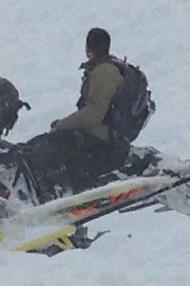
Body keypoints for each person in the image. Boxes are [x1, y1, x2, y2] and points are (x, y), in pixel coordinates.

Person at [19, 27, 134, 200]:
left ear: (88, 49)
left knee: (44, 148)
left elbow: (95, 112)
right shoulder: (106, 69)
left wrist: (62, 125)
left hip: (103, 136)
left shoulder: (105, 71)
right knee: (43, 146)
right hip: (103, 133)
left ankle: (47, 196)